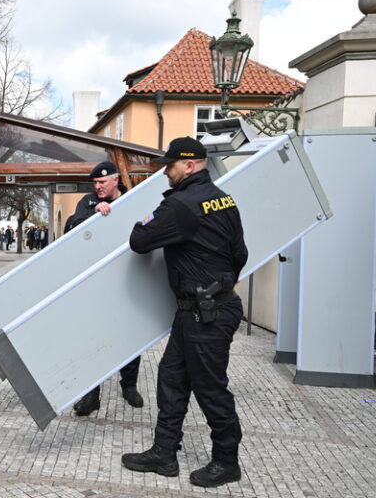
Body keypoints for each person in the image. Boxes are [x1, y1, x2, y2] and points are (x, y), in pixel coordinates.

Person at [121, 137, 248, 488]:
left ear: (189, 165)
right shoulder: (224, 198)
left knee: (210, 389)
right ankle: (164, 453)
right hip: (204, 309)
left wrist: (143, 219)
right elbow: (240, 254)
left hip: (204, 313)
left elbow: (140, 240)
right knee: (172, 379)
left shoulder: (182, 204)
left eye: (170, 165)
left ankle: (226, 461)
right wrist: (220, 283)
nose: (165, 172)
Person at [67, 161, 144, 416]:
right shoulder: (87, 203)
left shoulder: (132, 199)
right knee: (94, 338)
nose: (97, 187)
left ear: (115, 180)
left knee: (130, 337)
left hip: (127, 281)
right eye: (95, 183)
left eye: (102, 182)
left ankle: (129, 386)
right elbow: (73, 229)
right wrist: (94, 216)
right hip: (97, 284)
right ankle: (91, 395)